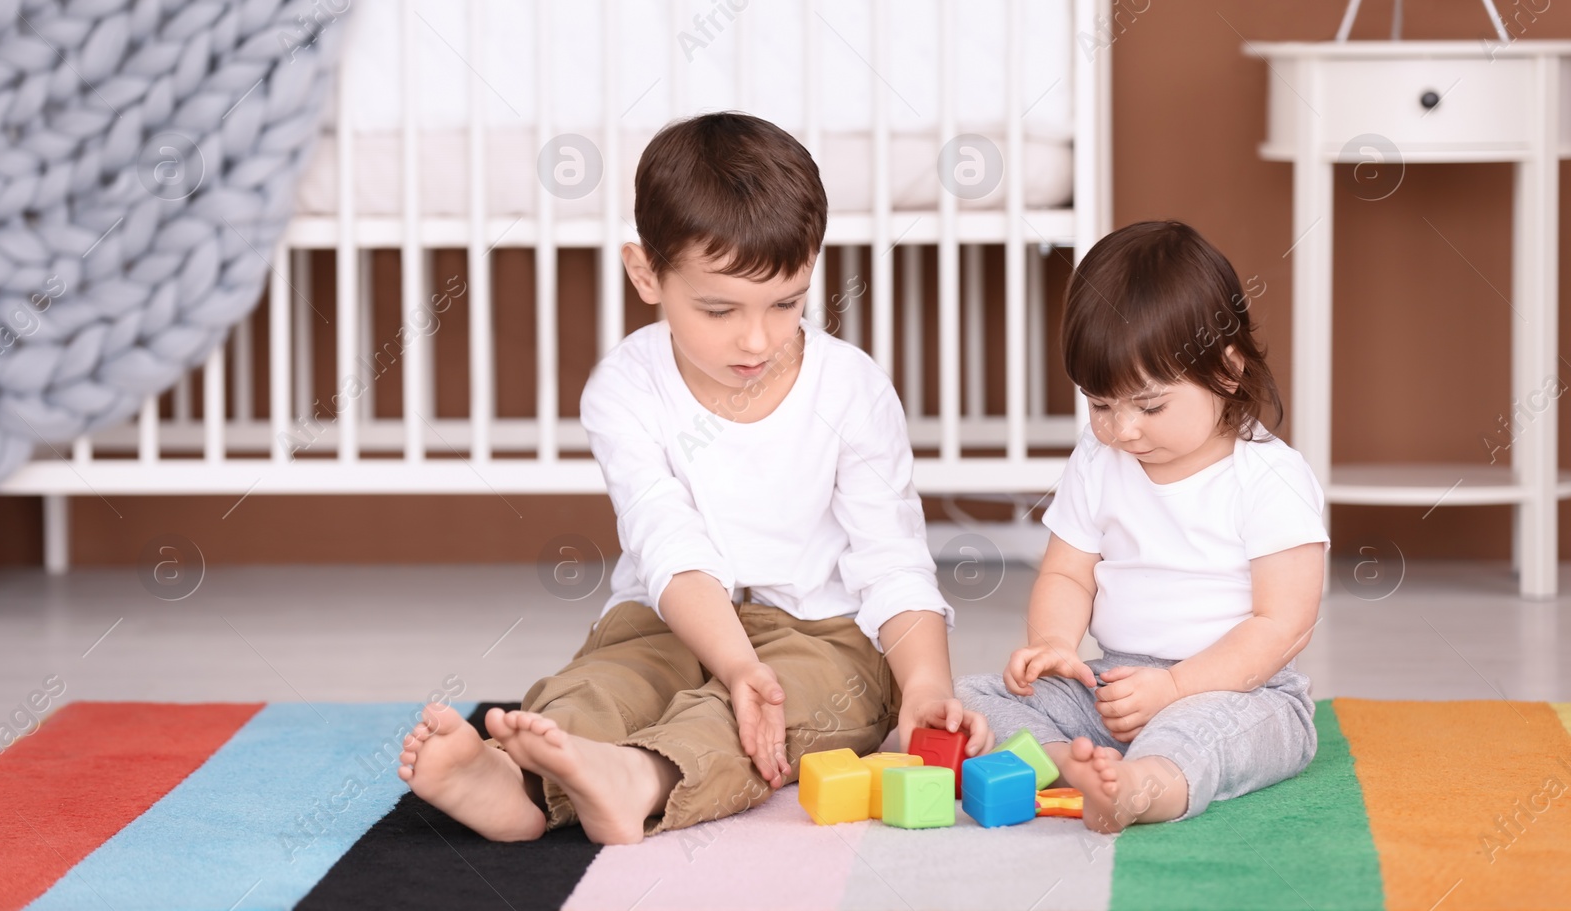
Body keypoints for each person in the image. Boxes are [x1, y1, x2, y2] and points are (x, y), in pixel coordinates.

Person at [397, 111, 990, 843]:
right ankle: (515, 782)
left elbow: (893, 560)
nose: (757, 338)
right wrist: (734, 661)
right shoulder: (624, 387)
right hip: (669, 613)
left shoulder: (852, 390)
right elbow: (667, 539)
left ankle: (638, 778)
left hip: (822, 633)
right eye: (719, 308)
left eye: (787, 302)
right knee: (607, 680)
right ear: (646, 273)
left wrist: (926, 684)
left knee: (779, 708)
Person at [956, 220, 1328, 833]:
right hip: (1115, 683)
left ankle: (1141, 788)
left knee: (1204, 737)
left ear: (1227, 372)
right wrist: (1053, 645)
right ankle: (1064, 764)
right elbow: (1068, 572)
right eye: (1100, 404)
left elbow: (1282, 625)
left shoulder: (1269, 477)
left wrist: (1177, 686)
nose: (1122, 430)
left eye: (1149, 406)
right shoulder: (1099, 458)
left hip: (1238, 691)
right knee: (973, 699)